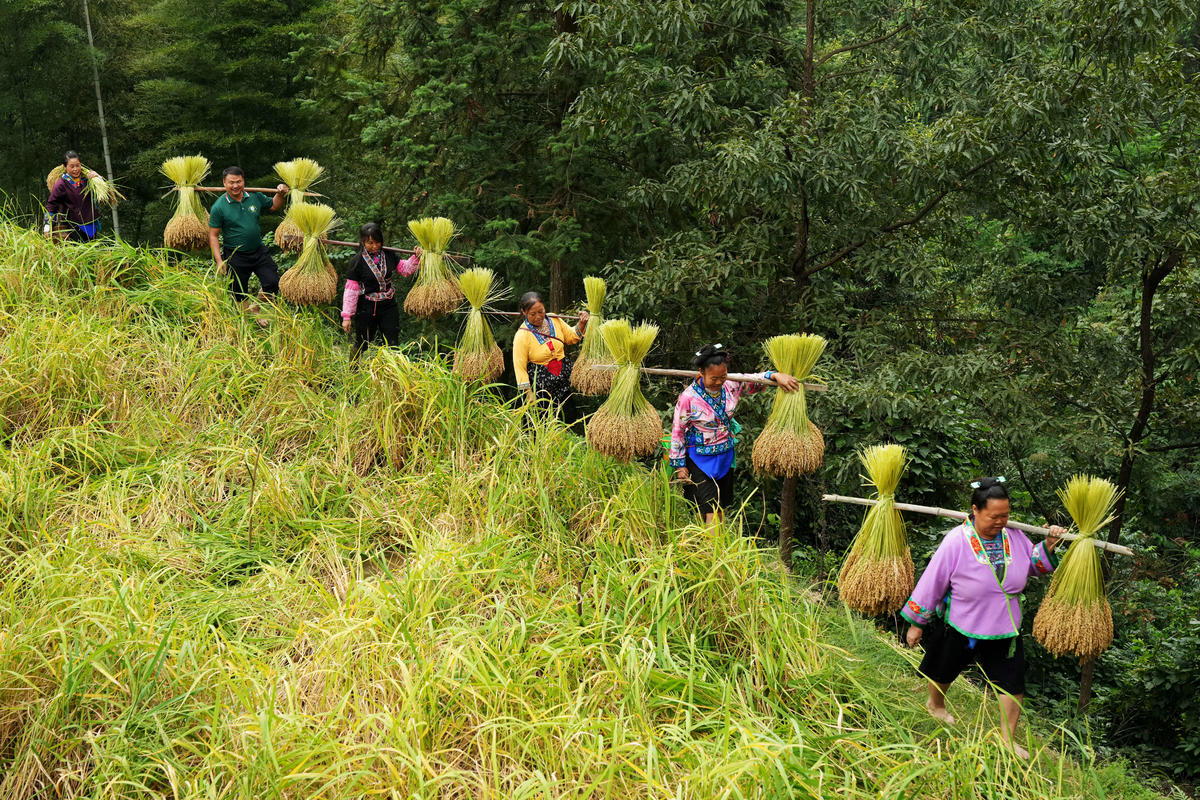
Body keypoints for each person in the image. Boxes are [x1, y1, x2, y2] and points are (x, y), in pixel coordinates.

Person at [901, 477, 1065, 758]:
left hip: (1005, 625)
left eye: (1006, 515)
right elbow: (933, 581)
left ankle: (1007, 739)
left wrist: (1049, 544)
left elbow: (1034, 567)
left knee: (1012, 683)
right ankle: (936, 706)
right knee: (942, 669)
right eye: (994, 516)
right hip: (963, 621)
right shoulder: (956, 541)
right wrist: (917, 623)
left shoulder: (1014, 536)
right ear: (975, 510)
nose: (1001, 521)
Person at [668, 344, 800, 523]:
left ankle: (707, 546)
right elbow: (678, 431)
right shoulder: (688, 398)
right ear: (701, 372)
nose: (719, 382)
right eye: (714, 378)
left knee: (718, 506)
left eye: (723, 376)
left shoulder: (731, 385)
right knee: (709, 507)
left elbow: (755, 380)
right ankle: (712, 549)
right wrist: (679, 465)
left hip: (724, 456)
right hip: (699, 458)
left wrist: (775, 375)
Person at [207, 166, 288, 322]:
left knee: (272, 282)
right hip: (235, 255)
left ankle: (256, 307)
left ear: (243, 181)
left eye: (239, 181)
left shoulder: (254, 196)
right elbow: (213, 236)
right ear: (224, 183)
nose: (235, 185)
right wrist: (219, 261)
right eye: (231, 182)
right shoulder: (219, 207)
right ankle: (247, 322)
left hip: (258, 251)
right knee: (239, 291)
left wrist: (280, 194)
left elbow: (274, 205)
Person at [340, 223, 421, 361]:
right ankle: (353, 371)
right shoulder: (357, 262)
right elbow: (351, 291)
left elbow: (405, 270)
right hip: (366, 307)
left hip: (388, 306)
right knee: (362, 343)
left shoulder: (389, 255)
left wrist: (416, 257)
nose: (375, 246)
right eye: (370, 243)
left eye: (377, 242)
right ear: (363, 242)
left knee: (392, 342)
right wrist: (346, 316)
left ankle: (393, 374)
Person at [513, 291, 589, 418]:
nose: (538, 316)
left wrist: (582, 323)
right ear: (524, 312)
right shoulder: (522, 336)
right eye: (532, 314)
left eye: (541, 311)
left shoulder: (553, 319)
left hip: (562, 382)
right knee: (543, 422)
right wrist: (528, 394)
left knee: (567, 418)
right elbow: (520, 368)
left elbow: (571, 337)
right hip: (540, 388)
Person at [44, 151, 104, 242]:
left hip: (92, 224)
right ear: (65, 167)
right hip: (75, 227)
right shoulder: (61, 184)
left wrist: (98, 177)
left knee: (93, 253)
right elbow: (51, 206)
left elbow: (105, 190)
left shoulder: (87, 178)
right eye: (72, 166)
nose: (75, 169)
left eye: (78, 165)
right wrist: (47, 227)